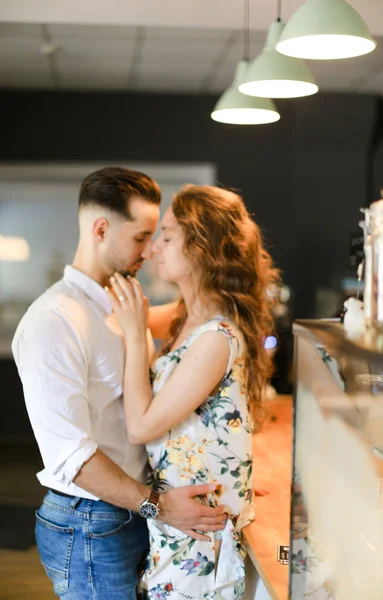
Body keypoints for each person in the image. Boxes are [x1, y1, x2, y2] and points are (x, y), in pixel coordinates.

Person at [11, 168, 227, 600]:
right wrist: (160, 505)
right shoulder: (53, 320)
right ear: (101, 229)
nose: (150, 251)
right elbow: (72, 456)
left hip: (130, 512)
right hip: (89, 523)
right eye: (141, 237)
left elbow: (188, 312)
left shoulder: (120, 301)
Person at [106, 184, 279, 599]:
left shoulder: (217, 336)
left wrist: (134, 335)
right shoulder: (188, 317)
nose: (152, 249)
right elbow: (113, 322)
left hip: (198, 533)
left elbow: (140, 426)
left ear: (201, 246)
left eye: (166, 235)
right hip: (182, 521)